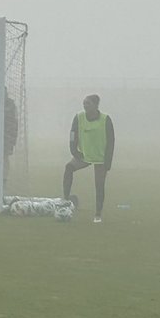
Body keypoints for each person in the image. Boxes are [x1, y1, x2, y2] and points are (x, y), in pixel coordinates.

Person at [62, 94, 115, 223]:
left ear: (96, 105)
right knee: (68, 168)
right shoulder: (79, 117)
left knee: (99, 184)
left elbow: (111, 141)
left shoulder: (105, 119)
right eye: (84, 103)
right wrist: (74, 151)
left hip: (100, 157)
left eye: (88, 103)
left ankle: (98, 213)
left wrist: (108, 162)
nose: (85, 106)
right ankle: (65, 201)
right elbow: (73, 135)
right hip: (84, 155)